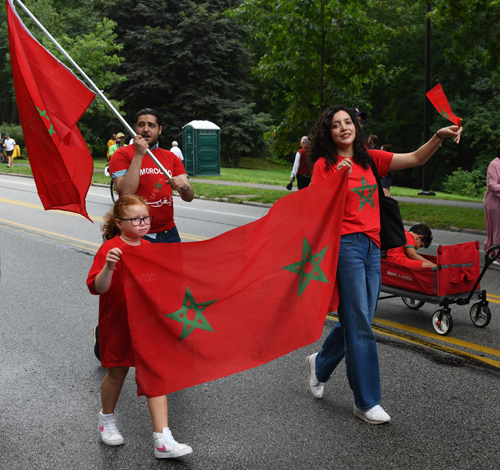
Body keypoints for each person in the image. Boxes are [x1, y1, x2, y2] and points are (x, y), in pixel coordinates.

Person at [304, 104, 461, 424]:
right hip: (345, 247)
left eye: (348, 122)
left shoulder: (369, 158)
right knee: (361, 321)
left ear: (356, 127)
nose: (344, 128)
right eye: (336, 125)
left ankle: (320, 363)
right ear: (328, 133)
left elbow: (415, 158)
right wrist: (336, 179)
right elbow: (314, 206)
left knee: (358, 317)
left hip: (373, 247)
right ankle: (366, 401)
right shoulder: (325, 163)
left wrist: (438, 136)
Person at [87, 194, 192, 459]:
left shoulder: (152, 248)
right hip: (119, 324)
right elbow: (98, 288)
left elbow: (162, 288)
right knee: (117, 373)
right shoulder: (109, 249)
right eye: (135, 219)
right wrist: (109, 267)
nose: (143, 223)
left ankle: (162, 439)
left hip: (149, 326)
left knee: (156, 375)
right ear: (120, 223)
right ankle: (107, 419)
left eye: (146, 217)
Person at [109, 108, 194, 244]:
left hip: (169, 233)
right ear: (135, 128)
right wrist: (138, 154)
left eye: (151, 125)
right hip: (135, 233)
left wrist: (184, 187)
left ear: (160, 129)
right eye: (141, 125)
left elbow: (189, 197)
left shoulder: (170, 157)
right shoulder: (121, 155)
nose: (146, 129)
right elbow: (126, 192)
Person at [484, 150, 500, 265]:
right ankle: (496, 254)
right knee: (497, 229)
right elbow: (492, 185)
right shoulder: (494, 164)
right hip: (494, 202)